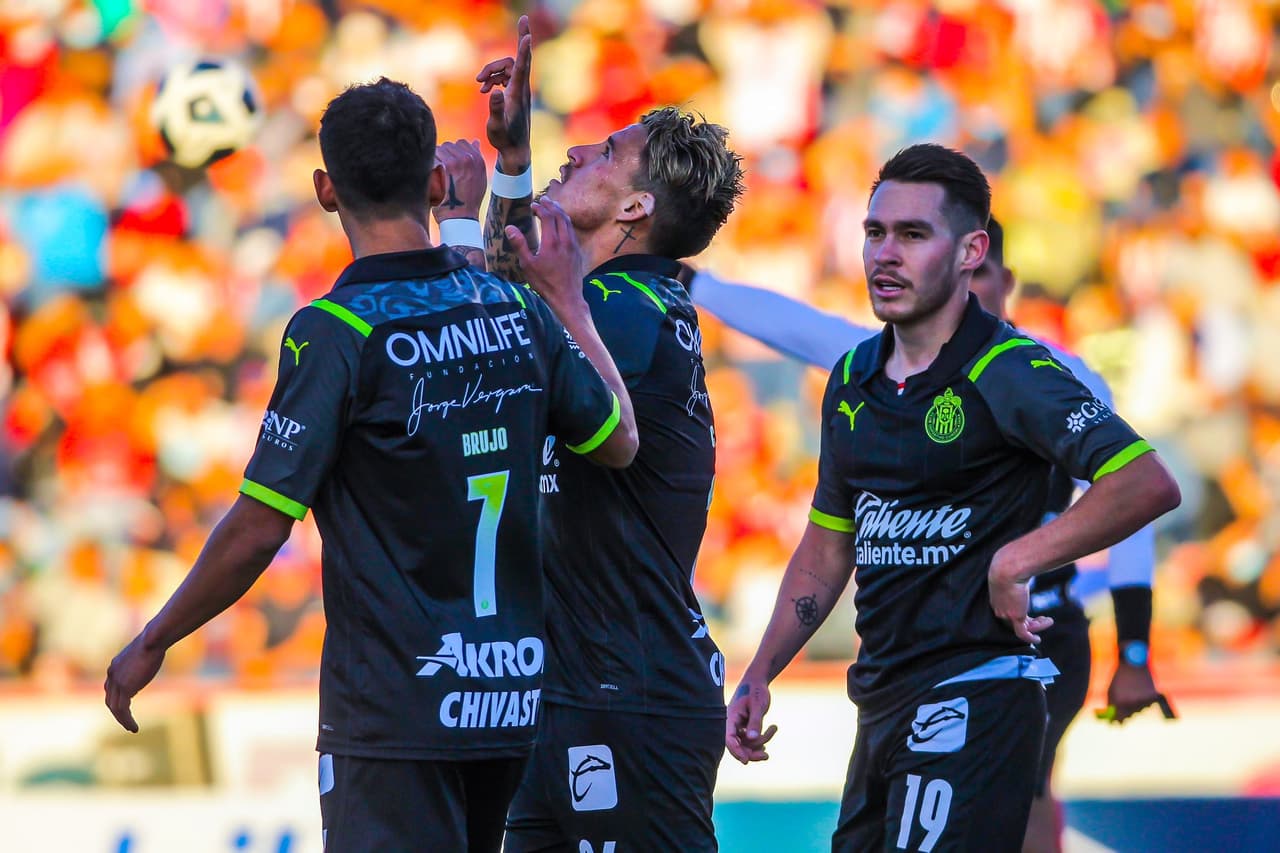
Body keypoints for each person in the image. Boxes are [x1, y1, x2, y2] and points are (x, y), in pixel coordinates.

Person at [102, 77, 640, 852]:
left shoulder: (336, 330)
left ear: (326, 191)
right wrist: (567, 300)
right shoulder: (516, 309)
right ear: (432, 182)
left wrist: (154, 637)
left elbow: (260, 526)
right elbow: (618, 442)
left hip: (397, 713)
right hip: (507, 703)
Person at [724, 143, 1181, 852]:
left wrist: (1018, 559)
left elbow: (1145, 481)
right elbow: (826, 544)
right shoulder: (852, 378)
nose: (886, 254)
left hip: (981, 691)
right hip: (881, 697)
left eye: (913, 234)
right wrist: (759, 670)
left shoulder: (1013, 369)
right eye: (875, 232)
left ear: (973, 251)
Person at [447, 17, 744, 852]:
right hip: (573, 689)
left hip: (630, 693)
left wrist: (469, 213)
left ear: (637, 206)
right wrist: (510, 164)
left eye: (606, 153)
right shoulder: (608, 305)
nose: (576, 154)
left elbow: (478, 328)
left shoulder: (626, 307)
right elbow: (508, 304)